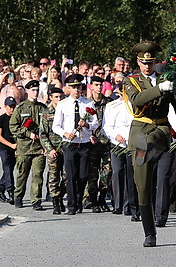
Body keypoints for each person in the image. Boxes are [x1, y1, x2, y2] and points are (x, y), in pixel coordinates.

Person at [123, 41, 174, 247]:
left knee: (164, 176)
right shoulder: (131, 81)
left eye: (151, 62)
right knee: (143, 186)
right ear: (138, 62)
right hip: (140, 131)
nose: (147, 66)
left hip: (160, 130)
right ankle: (149, 233)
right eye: (144, 62)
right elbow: (137, 100)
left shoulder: (165, 79)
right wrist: (159, 89)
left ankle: (162, 216)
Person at [52, 74, 98, 215]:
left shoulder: (88, 103)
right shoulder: (63, 104)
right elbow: (56, 126)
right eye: (73, 87)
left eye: (78, 87)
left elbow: (95, 123)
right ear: (69, 88)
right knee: (71, 176)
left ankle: (79, 201)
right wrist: (65, 134)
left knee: (83, 175)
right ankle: (72, 205)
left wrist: (87, 125)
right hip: (70, 144)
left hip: (83, 143)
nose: (76, 90)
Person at [9, 80, 48, 210]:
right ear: (27, 91)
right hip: (24, 148)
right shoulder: (21, 108)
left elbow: (48, 127)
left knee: (38, 174)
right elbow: (13, 126)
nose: (35, 92)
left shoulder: (43, 108)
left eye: (37, 90)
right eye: (33, 90)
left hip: (39, 148)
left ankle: (36, 200)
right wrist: (27, 133)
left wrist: (46, 146)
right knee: (22, 174)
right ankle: (18, 196)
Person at [103, 94, 140, 221]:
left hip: (132, 144)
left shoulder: (137, 107)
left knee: (131, 174)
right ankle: (118, 204)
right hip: (117, 144)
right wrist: (115, 136)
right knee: (118, 171)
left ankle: (129, 204)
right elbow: (107, 127)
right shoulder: (115, 107)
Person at [87, 76, 113, 213]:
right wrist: (89, 135)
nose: (98, 87)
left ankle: (102, 198)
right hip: (91, 144)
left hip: (105, 143)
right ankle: (93, 200)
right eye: (96, 85)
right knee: (92, 174)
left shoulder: (109, 103)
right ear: (91, 86)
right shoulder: (86, 103)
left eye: (100, 85)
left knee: (107, 172)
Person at [39, 87, 66, 214]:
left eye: (61, 97)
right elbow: (42, 134)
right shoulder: (46, 112)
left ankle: (60, 196)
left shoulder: (66, 111)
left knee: (67, 176)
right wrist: (49, 149)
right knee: (54, 177)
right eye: (56, 97)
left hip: (65, 148)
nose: (59, 99)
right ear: (51, 98)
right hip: (53, 150)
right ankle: (55, 202)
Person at [0, 96, 17, 204]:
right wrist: (10, 145)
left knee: (9, 170)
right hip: (4, 147)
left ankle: (0, 188)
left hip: (14, 147)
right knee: (7, 167)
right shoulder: (1, 119)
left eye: (13, 106)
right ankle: (11, 192)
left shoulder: (16, 118)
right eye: (10, 106)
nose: (12, 109)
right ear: (5, 107)